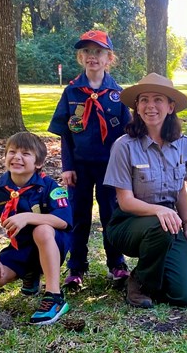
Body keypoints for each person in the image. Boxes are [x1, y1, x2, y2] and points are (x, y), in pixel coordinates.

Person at [103, 73, 187, 308]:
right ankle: (140, 281)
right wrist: (160, 211)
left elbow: (181, 189)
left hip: (170, 222)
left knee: (186, 296)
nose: (150, 106)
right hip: (129, 222)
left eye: (158, 99)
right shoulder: (124, 146)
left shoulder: (182, 144)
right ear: (137, 106)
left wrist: (186, 226)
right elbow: (125, 201)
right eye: (144, 100)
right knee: (161, 225)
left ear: (170, 107)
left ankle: (156, 271)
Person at [48, 30, 131, 289]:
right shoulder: (72, 92)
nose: (92, 57)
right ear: (80, 57)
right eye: (86, 52)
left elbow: (127, 135)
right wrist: (68, 167)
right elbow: (65, 134)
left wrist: (126, 168)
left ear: (109, 58)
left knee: (111, 215)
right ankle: (76, 267)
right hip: (80, 167)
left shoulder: (118, 94)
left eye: (98, 52)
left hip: (110, 167)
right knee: (78, 215)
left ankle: (116, 264)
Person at [0, 132, 72, 325]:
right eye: (12, 152)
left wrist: (28, 217)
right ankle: (30, 274)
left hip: (53, 244)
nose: (17, 157)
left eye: (26, 153)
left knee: (41, 229)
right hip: (22, 248)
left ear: (38, 163)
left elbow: (64, 221)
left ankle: (54, 297)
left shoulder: (49, 186)